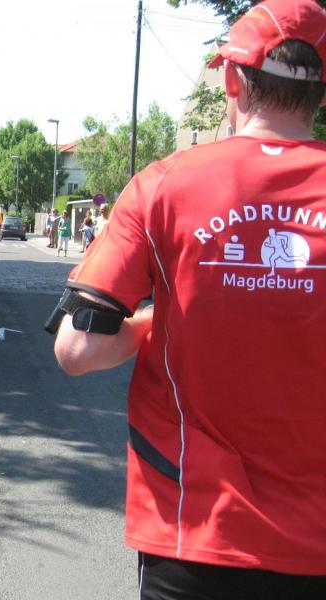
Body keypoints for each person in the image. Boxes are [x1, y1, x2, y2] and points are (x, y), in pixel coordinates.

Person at [55, 1, 326, 595]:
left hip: (192, 528)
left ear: (234, 81)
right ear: (320, 93)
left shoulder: (164, 185)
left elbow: (77, 349)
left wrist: (158, 320)